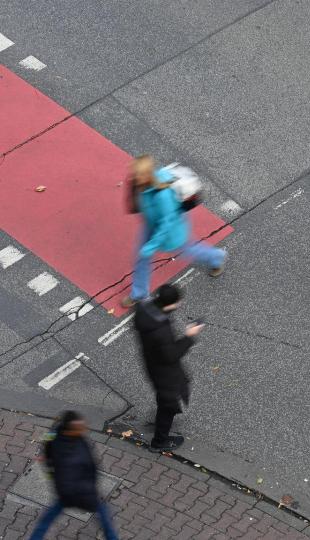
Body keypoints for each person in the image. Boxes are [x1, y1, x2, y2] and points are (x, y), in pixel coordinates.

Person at [121, 155, 226, 308]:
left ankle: (216, 257)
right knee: (142, 258)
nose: (134, 178)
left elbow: (167, 224)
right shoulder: (143, 186)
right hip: (151, 226)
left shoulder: (163, 196)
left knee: (190, 251)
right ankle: (139, 293)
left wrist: (151, 246)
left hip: (172, 233)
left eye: (137, 175)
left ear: (147, 175)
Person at [29, 412, 119, 540]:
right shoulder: (71, 455)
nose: (84, 429)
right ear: (70, 430)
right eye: (80, 428)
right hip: (80, 494)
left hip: (68, 493)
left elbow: (47, 451)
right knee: (104, 517)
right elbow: (76, 477)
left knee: (48, 518)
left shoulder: (58, 435)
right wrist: (91, 494)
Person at [134, 284, 202, 452]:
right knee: (168, 404)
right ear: (170, 304)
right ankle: (159, 442)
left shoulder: (143, 309)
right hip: (164, 372)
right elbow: (171, 355)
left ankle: (160, 420)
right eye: (178, 301)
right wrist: (189, 337)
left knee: (166, 398)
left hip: (152, 364)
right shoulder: (161, 331)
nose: (180, 303)